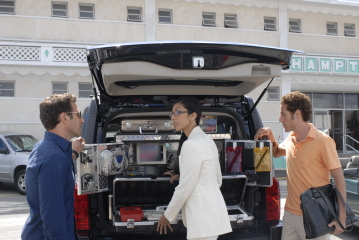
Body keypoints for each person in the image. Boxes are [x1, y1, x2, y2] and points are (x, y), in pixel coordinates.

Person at [254, 91, 346, 240]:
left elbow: (339, 178)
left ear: (297, 114)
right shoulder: (291, 139)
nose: (280, 119)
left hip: (315, 216)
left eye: (283, 114)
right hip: (290, 214)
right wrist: (270, 135)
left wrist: (341, 217)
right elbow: (277, 152)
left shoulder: (323, 141)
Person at [156, 96, 232, 240]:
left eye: (178, 112)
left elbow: (185, 187)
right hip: (211, 215)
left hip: (202, 217)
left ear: (193, 116)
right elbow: (217, 180)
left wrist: (167, 215)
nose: (173, 117)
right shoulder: (208, 141)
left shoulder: (191, 144)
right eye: (172, 113)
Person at [21, 93, 86, 240]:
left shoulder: (44, 148)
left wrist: (73, 153)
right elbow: (53, 216)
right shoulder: (54, 158)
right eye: (77, 114)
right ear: (64, 117)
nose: (82, 120)